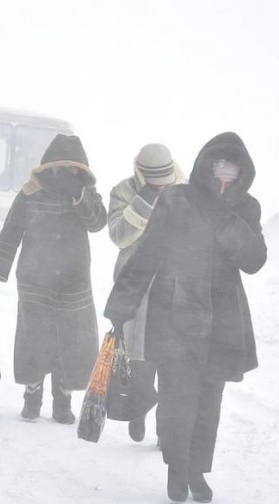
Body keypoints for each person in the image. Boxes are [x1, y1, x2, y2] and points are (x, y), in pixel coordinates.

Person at [104, 132, 266, 503]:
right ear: (205, 167)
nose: (224, 177)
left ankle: (197, 472)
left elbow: (255, 260)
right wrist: (122, 304)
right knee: (179, 400)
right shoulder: (177, 201)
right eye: (218, 167)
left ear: (243, 174)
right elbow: (148, 254)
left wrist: (227, 219)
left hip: (223, 323)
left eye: (232, 170)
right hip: (176, 315)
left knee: (209, 402)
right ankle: (177, 471)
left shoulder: (246, 208)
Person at [0, 134, 107, 423]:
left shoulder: (87, 193)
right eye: (62, 168)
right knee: (35, 339)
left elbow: (98, 223)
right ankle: (32, 395)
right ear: (49, 166)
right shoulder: (30, 193)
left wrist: (79, 196)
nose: (68, 173)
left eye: (74, 169)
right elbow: (10, 234)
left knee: (71, 342)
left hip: (74, 281)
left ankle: (63, 401)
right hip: (34, 279)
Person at [107, 143, 184, 442]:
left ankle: (166, 431)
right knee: (138, 355)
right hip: (135, 286)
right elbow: (119, 236)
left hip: (172, 285)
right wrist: (146, 199)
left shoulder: (184, 192)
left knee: (169, 360)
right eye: (154, 181)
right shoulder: (123, 192)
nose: (161, 186)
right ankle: (136, 410)